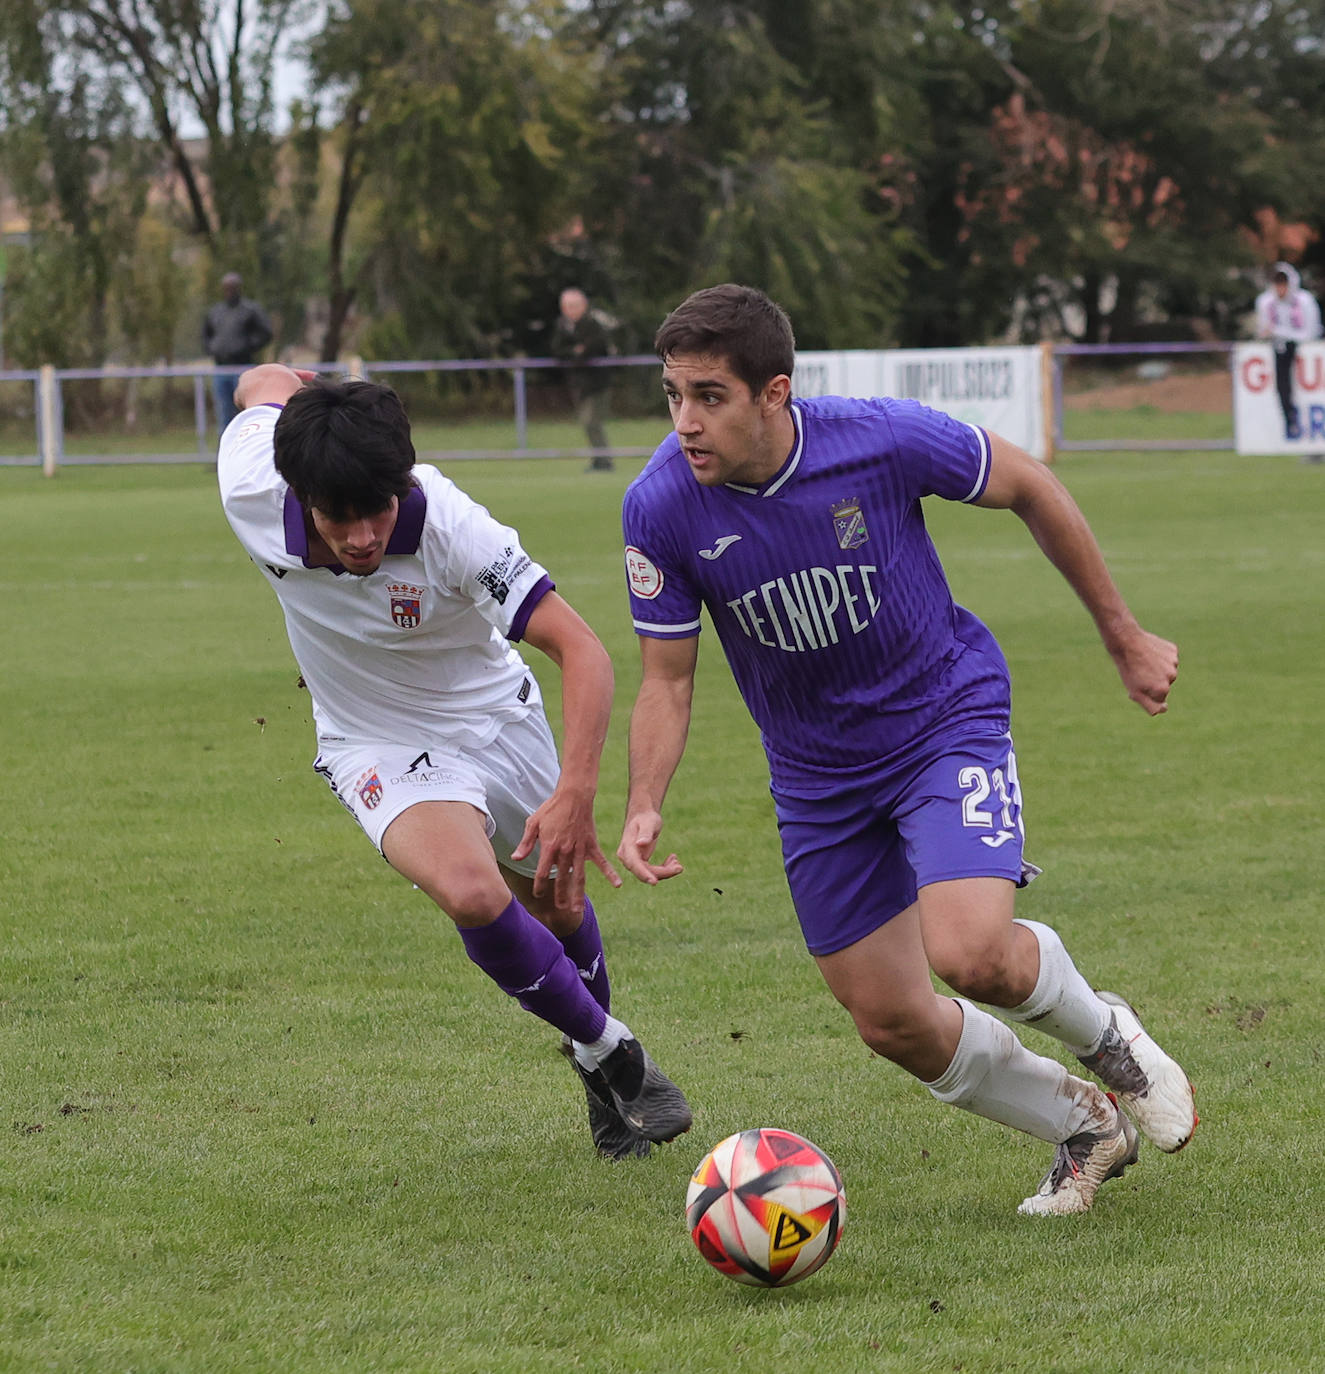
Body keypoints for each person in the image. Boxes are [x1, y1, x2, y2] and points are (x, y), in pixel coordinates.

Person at [616, 284, 1197, 1216]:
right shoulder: (659, 507)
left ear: (775, 393)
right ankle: (1083, 1127)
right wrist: (644, 800)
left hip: (942, 719)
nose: (685, 421)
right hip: (815, 776)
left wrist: (1122, 635)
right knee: (888, 1019)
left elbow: (1032, 486)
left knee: (970, 954)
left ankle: (1106, 1036)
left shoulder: (879, 438)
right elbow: (666, 680)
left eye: (708, 396)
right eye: (672, 394)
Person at [218, 363, 691, 1159]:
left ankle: (592, 1073)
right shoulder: (250, 481)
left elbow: (582, 651)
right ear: (297, 494)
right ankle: (616, 1052)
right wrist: (321, 395)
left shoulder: (452, 528)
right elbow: (260, 381)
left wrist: (576, 792)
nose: (364, 535)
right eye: (340, 516)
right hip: (373, 740)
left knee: (560, 913)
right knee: (471, 891)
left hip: (495, 720)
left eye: (377, 509)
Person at [1254, 262, 1321, 443]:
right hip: (1280, 352)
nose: (1280, 288)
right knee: (1283, 388)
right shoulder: (1265, 302)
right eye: (1277, 283)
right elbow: (1262, 330)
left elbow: (1310, 333)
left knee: (1307, 392)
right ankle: (1290, 425)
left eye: (1283, 283)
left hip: (1306, 355)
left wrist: (1278, 332)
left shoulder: (1305, 301)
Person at [550, 288, 616, 471]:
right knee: (588, 423)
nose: (571, 310)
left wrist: (579, 353)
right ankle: (599, 459)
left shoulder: (593, 324)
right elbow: (558, 350)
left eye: (575, 305)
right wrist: (575, 352)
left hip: (596, 384)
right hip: (578, 384)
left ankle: (604, 461)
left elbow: (596, 348)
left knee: (591, 421)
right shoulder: (562, 325)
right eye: (568, 306)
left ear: (584, 306)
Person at [204, 272, 274, 434]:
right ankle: (225, 450)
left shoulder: (249, 310)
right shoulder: (216, 312)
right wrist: (213, 348)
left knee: (245, 411)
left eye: (233, 287)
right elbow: (206, 334)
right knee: (224, 412)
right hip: (221, 369)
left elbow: (265, 333)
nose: (230, 291)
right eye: (227, 287)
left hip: (242, 368)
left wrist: (247, 346)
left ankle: (247, 445)